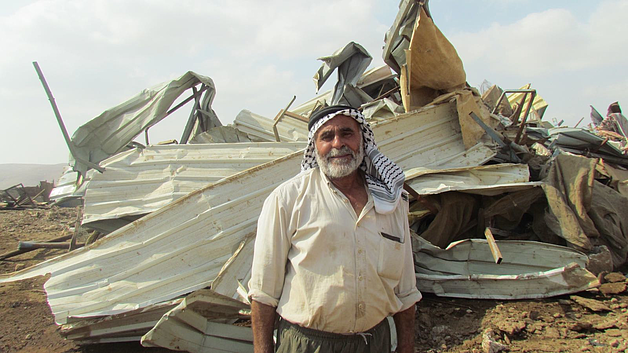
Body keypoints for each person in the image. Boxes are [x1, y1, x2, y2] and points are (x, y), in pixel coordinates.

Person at [248, 105, 422, 353]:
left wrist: (406, 346)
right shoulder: (288, 199)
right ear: (314, 147)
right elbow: (263, 293)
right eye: (327, 137)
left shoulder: (391, 201)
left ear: (362, 139)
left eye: (347, 133)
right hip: (308, 344)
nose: (338, 143)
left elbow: (406, 289)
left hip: (374, 342)